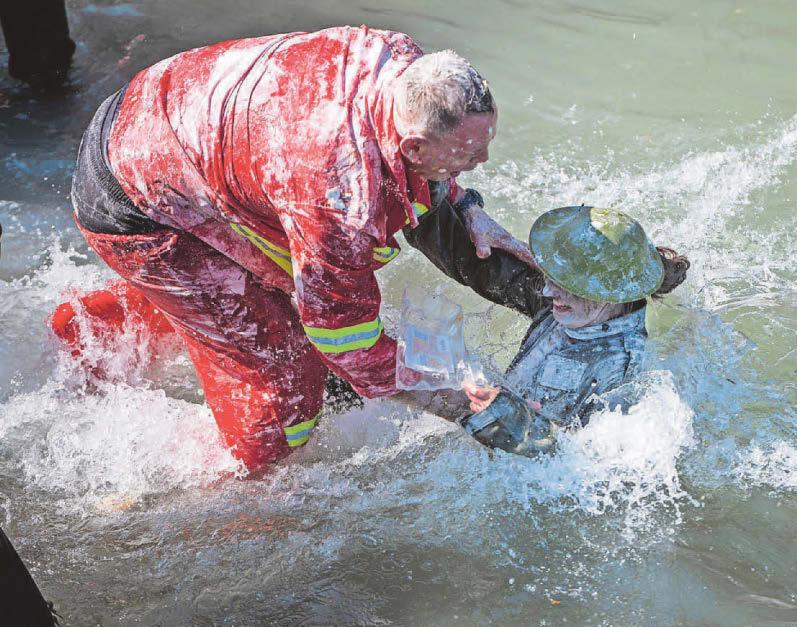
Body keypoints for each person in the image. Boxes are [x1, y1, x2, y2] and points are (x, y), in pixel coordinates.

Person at [50, 26, 534, 471]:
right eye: (468, 155)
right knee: (289, 396)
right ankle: (207, 494)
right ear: (412, 148)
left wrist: (468, 206)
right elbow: (342, 337)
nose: (483, 160)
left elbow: (418, 177)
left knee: (272, 281)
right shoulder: (340, 195)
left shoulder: (407, 68)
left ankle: (107, 324)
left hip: (169, 114)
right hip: (133, 198)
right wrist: (453, 400)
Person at [401, 203, 689, 456]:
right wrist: (414, 202)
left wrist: (509, 418)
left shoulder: (623, 370)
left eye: (564, 285)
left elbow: (585, 465)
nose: (549, 291)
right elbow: (475, 264)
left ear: (611, 293)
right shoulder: (578, 304)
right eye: (551, 276)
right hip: (484, 425)